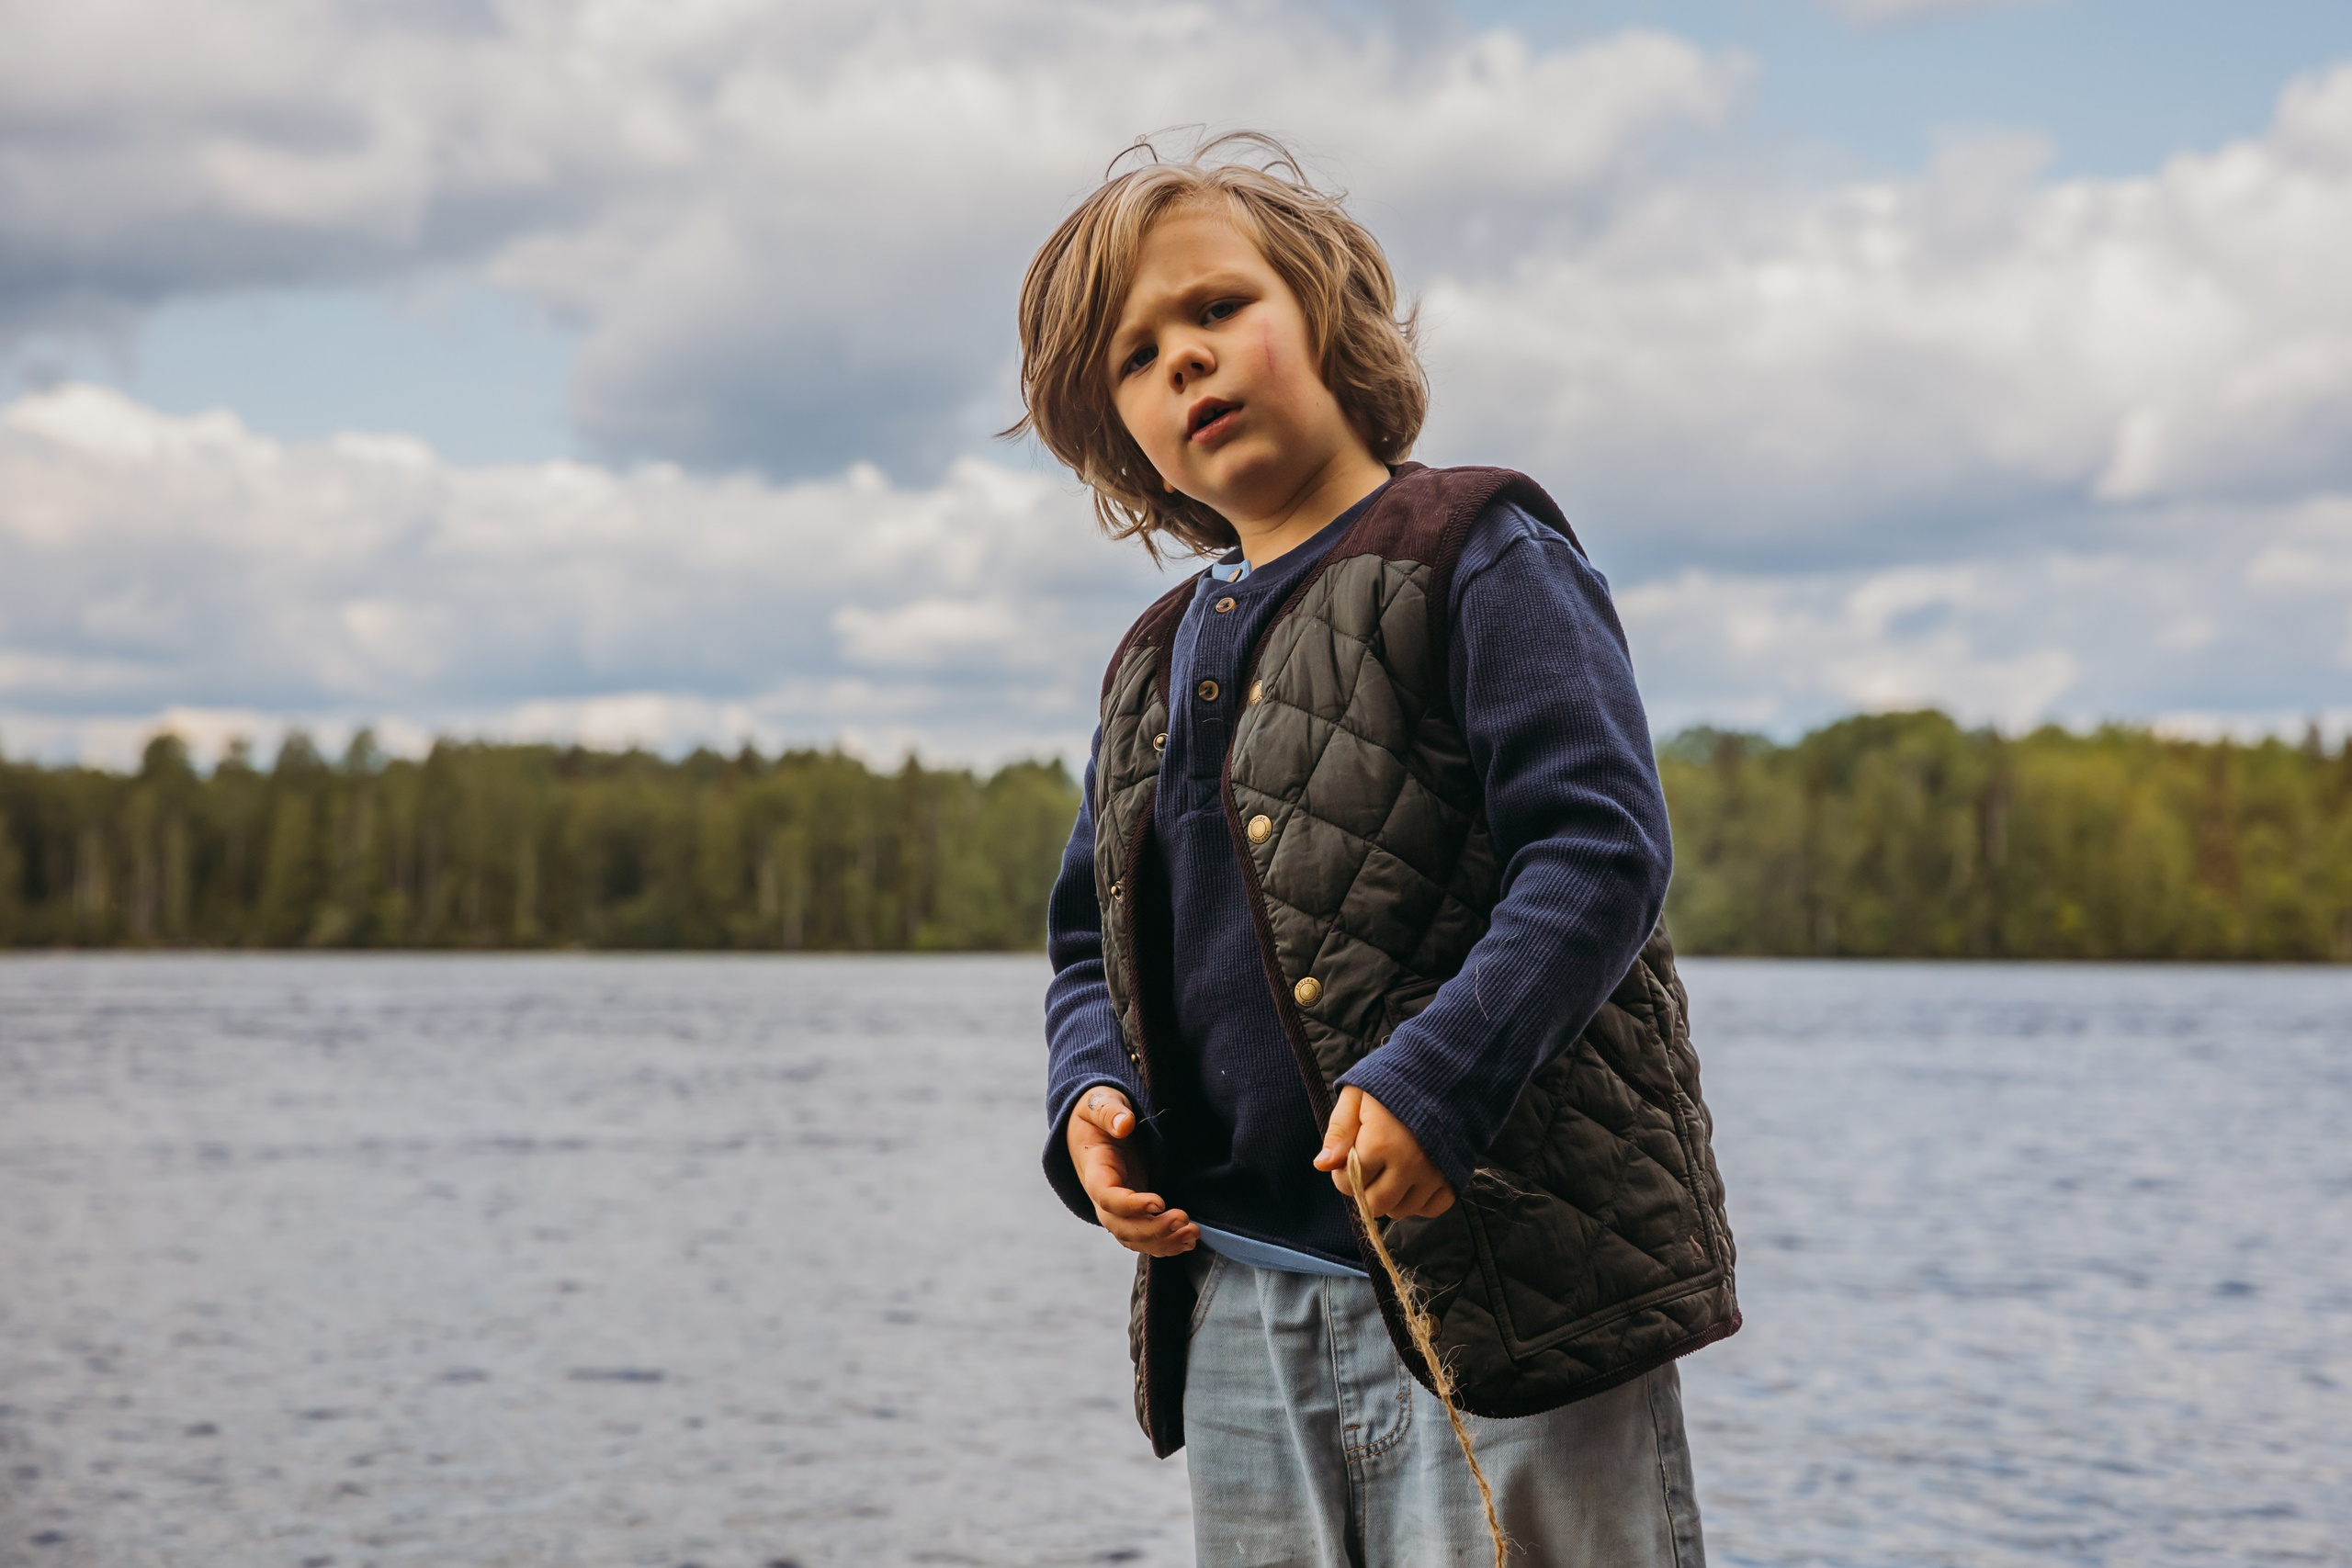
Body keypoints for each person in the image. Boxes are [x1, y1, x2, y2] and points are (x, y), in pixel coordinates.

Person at [1014, 132, 1739, 1568]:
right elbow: (1088, 946)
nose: (1185, 364)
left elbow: (1596, 852)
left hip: (1511, 1290)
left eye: (1219, 310)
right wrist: (1088, 1095)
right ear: (1119, 433)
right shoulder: (1150, 662)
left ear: (1328, 315)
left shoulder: (1472, 545)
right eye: (1137, 358)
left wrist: (1435, 1083)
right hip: (1236, 1300)